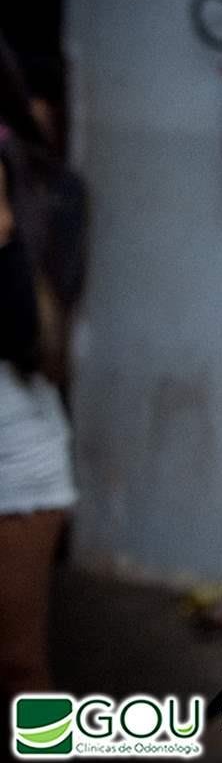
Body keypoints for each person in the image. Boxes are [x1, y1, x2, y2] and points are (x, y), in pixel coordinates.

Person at [0, 36, 85, 704]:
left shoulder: (42, 188)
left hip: (16, 453)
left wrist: (2, 236)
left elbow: (30, 334)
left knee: (19, 668)